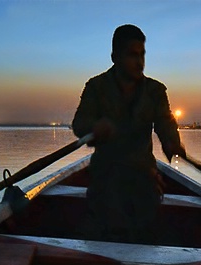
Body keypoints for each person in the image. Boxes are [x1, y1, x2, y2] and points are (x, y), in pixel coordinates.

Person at [72, 24, 185, 242]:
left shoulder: (155, 91)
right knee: (109, 210)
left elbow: (165, 122)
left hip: (143, 175)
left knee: (146, 216)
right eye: (133, 55)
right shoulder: (96, 87)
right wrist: (94, 127)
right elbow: (79, 124)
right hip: (106, 176)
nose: (140, 62)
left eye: (142, 54)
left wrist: (172, 142)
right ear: (115, 56)